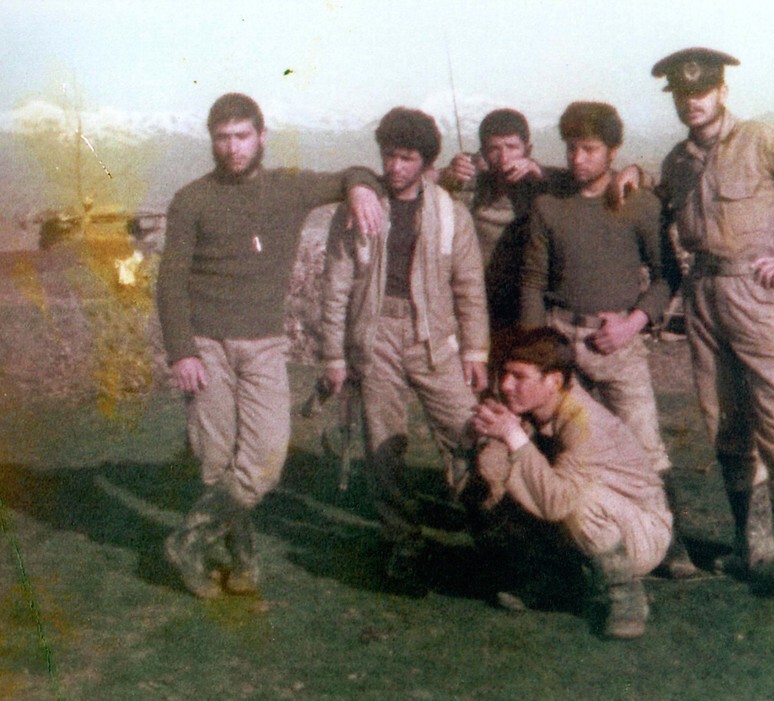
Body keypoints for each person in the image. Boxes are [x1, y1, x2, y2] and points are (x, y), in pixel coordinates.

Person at [157, 92, 385, 598]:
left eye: (242, 136)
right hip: (205, 345)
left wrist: (360, 188)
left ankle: (187, 541)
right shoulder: (191, 200)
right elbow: (170, 282)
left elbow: (355, 172)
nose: (233, 147)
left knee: (264, 461)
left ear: (261, 137)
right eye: (223, 138)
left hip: (263, 345)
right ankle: (241, 562)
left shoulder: (288, 189)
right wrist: (182, 352)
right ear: (212, 141)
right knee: (216, 460)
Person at [647, 48, 774, 591]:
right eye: (682, 95)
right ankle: (750, 544)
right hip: (703, 296)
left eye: (701, 91)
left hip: (757, 294)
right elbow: (658, 205)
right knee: (724, 423)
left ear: (721, 91)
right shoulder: (677, 161)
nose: (692, 102)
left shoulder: (762, 140)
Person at [519, 101, 694, 577]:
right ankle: (563, 551)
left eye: (590, 149)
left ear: (613, 151)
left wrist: (633, 323)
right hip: (560, 338)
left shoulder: (638, 204)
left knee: (645, 441)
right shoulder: (549, 206)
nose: (578, 159)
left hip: (619, 343)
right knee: (559, 442)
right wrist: (536, 351)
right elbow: (533, 281)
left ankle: (672, 545)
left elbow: (667, 275)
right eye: (571, 148)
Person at [319, 107, 489, 591]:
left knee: (468, 429)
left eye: (407, 158)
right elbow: (335, 286)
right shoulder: (357, 208)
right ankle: (402, 540)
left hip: (434, 337)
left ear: (427, 162)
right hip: (374, 336)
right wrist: (334, 355)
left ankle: (489, 525)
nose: (394, 167)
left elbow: (468, 286)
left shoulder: (450, 213)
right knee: (383, 443)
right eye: (389, 156)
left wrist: (475, 351)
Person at [471, 327, 671, 639]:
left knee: (577, 499)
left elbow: (558, 503)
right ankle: (554, 578)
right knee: (502, 479)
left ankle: (625, 594)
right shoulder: (532, 405)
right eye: (505, 374)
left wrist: (512, 434)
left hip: (640, 533)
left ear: (553, 381)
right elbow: (494, 475)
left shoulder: (583, 420)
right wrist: (489, 446)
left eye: (519, 376)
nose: (506, 385)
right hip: (597, 522)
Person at [439, 109, 549, 384]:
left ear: (528, 149)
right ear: (482, 154)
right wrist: (449, 176)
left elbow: (582, 184)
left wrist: (540, 174)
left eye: (512, 147)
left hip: (528, 301)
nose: (504, 158)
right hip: (480, 302)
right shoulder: (473, 185)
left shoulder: (543, 184)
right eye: (493, 149)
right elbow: (427, 185)